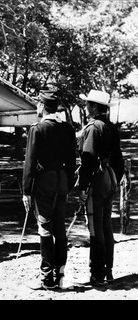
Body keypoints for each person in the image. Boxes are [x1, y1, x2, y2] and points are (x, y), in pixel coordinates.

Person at [22, 89, 76, 290]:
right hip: (62, 180)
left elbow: (30, 162)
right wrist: (68, 184)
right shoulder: (68, 129)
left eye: (38, 103)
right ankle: (60, 274)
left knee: (44, 227)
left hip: (44, 182)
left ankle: (46, 279)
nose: (37, 106)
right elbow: (71, 161)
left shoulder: (38, 129)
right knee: (60, 227)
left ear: (43, 106)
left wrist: (26, 190)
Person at [77, 89, 124, 286]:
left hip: (98, 182)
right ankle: (108, 269)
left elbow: (87, 161)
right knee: (106, 226)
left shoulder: (93, 128)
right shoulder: (112, 128)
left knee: (96, 228)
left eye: (88, 104)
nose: (85, 107)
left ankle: (97, 273)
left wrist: (83, 187)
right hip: (110, 180)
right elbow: (119, 160)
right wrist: (113, 179)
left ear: (94, 107)